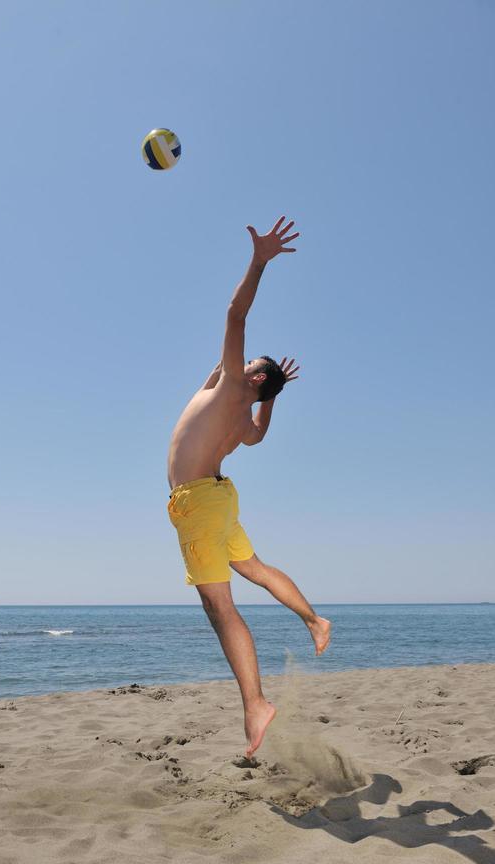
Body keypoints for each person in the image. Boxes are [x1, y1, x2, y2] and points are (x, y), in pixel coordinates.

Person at [166, 216, 331, 758]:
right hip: (218, 497)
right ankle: (314, 618)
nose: (233, 359)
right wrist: (273, 394)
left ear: (251, 376)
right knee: (253, 567)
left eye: (244, 361)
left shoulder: (237, 385)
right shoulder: (242, 414)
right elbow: (257, 436)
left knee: (219, 606)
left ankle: (255, 704)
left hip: (199, 502)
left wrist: (259, 260)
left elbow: (236, 314)